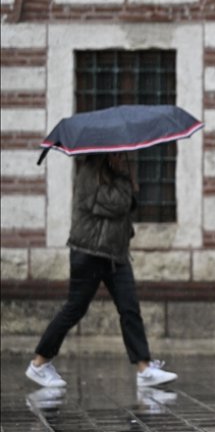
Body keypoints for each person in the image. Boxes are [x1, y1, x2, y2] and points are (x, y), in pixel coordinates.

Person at [26, 153, 177, 388]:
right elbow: (115, 204)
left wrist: (124, 180)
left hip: (115, 255)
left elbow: (124, 206)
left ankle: (144, 368)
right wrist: (126, 183)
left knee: (129, 309)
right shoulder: (89, 172)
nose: (121, 157)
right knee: (74, 309)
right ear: (105, 153)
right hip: (89, 253)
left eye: (121, 154)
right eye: (116, 154)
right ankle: (39, 364)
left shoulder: (116, 174)